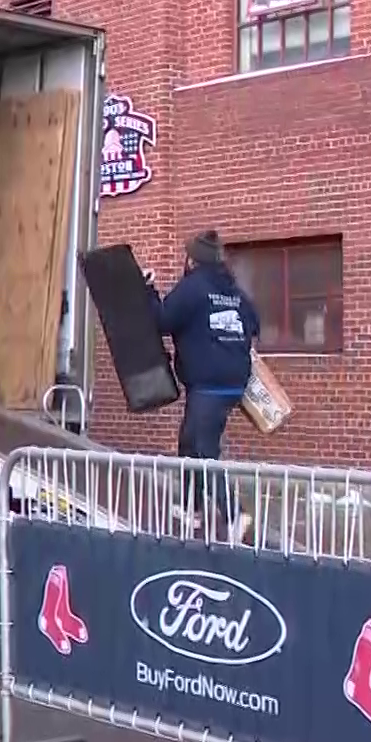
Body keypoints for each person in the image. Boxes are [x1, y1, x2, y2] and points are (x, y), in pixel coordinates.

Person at [148, 230, 259, 544]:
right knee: (188, 441)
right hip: (232, 382)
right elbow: (254, 324)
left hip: (208, 384)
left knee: (203, 448)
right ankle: (190, 507)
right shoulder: (233, 290)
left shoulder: (194, 287)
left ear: (193, 259)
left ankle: (235, 514)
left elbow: (162, 320)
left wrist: (148, 291)